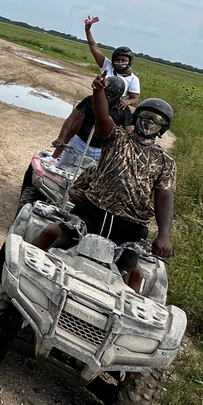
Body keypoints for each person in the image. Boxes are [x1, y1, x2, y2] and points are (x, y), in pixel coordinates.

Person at [33, 71, 176, 292]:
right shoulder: (116, 138)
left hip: (129, 226)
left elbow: (165, 197)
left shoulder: (165, 162)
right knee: (49, 234)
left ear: (163, 128)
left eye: (157, 120)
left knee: (135, 275)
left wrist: (164, 236)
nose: (149, 122)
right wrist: (98, 91)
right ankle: (18, 278)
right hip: (92, 212)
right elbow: (102, 118)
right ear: (135, 117)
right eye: (145, 115)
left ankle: (124, 320)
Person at [52, 76, 132, 166]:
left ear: (119, 96)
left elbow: (128, 134)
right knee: (62, 166)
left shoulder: (124, 111)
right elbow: (72, 118)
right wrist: (61, 138)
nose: (107, 98)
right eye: (106, 93)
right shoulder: (90, 100)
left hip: (102, 151)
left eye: (112, 96)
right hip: (79, 144)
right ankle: (54, 159)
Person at [84, 16, 140, 107]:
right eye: (117, 60)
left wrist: (127, 102)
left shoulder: (133, 79)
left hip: (115, 106)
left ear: (129, 62)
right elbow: (95, 49)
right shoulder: (107, 66)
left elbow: (134, 98)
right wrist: (87, 30)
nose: (120, 62)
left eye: (123, 60)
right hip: (98, 101)